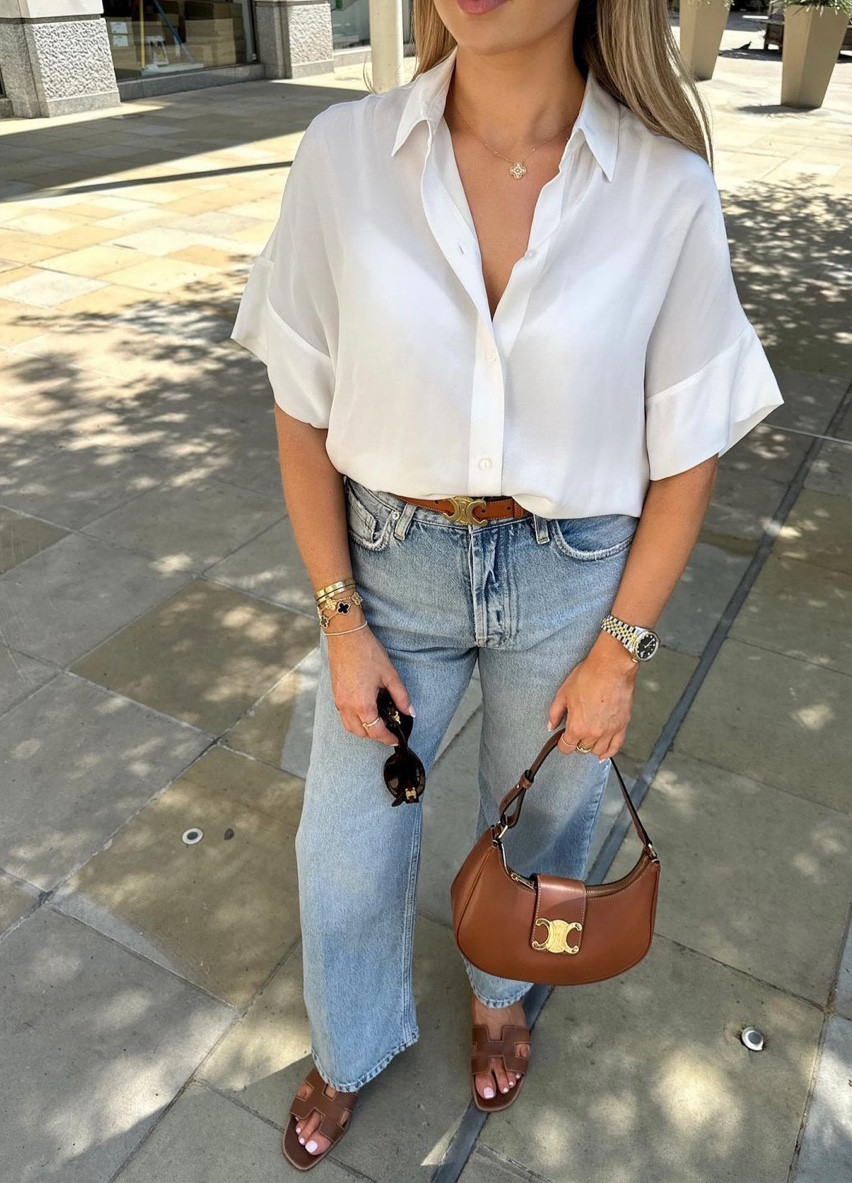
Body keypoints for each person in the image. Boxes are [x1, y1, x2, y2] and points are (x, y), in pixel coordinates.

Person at [231, 0, 784, 1170]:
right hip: (390, 566)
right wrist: (339, 616)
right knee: (344, 846)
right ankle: (352, 1042)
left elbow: (687, 450)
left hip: (573, 571)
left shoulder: (661, 188)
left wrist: (619, 648)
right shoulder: (345, 155)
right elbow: (299, 401)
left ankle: (501, 989)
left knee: (543, 830)